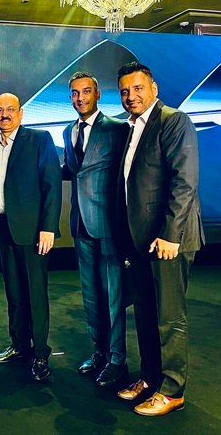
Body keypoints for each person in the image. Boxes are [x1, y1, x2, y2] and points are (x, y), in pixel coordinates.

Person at [115, 62, 204, 416]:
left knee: (169, 318)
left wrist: (170, 235)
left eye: (138, 88)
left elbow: (184, 182)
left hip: (169, 240)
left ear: (154, 88)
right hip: (141, 241)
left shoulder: (173, 121)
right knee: (146, 314)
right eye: (125, 91)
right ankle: (150, 378)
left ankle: (172, 389)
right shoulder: (133, 127)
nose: (131, 96)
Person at [0, 92, 62, 381]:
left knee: (35, 295)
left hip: (33, 233)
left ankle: (40, 354)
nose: (4, 114)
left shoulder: (39, 140)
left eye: (10, 109)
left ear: (20, 113)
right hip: (3, 229)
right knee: (14, 293)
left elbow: (52, 185)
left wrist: (48, 227)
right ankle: (19, 346)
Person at [62, 71, 130, 388]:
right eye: (75, 93)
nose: (80, 98)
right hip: (80, 225)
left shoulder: (117, 128)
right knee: (90, 296)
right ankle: (99, 352)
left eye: (86, 91)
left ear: (98, 94)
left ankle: (117, 360)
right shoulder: (68, 131)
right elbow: (72, 171)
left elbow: (127, 175)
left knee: (113, 298)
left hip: (108, 226)